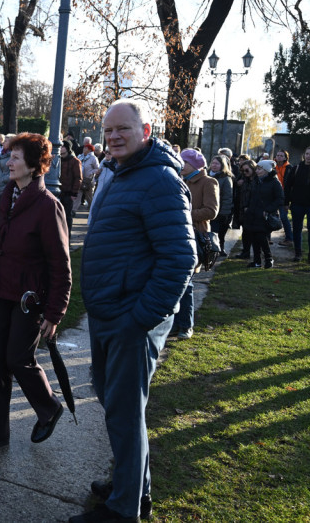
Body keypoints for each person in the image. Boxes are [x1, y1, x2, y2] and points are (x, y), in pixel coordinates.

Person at [73, 99, 196, 523]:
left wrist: (139, 319)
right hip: (111, 312)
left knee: (124, 413)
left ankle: (123, 510)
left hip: (130, 318)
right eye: (108, 131)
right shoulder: (122, 173)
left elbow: (180, 259)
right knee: (118, 407)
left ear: (146, 131)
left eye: (122, 129)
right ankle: (132, 485)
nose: (113, 137)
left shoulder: (159, 180)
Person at [0, 133, 71, 453]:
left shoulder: (48, 206)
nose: (8, 162)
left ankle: (49, 406)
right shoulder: (7, 195)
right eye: (8, 155)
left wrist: (55, 313)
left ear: (34, 165)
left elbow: (61, 265)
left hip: (29, 299)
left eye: (14, 157)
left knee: (18, 358)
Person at [172, 149, 219, 340]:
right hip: (176, 235)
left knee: (187, 282)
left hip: (195, 235)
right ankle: (175, 323)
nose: (181, 165)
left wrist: (183, 214)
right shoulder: (180, 180)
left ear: (194, 165)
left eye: (184, 162)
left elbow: (211, 210)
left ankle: (186, 325)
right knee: (175, 280)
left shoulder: (209, 182)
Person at [284, 146, 310, 263]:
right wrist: (286, 202)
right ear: (304, 155)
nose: (308, 156)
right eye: (307, 153)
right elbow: (287, 186)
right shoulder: (296, 168)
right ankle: (298, 253)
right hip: (297, 203)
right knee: (297, 228)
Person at [242, 159, 284, 269]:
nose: (257, 171)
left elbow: (280, 199)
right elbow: (250, 195)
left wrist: (268, 209)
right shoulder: (256, 181)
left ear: (266, 170)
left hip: (264, 215)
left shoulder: (274, 182)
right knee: (254, 238)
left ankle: (268, 258)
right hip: (253, 213)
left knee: (261, 237)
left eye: (259, 169)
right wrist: (247, 206)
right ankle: (257, 261)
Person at [208, 154, 234, 256]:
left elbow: (227, 196)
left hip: (220, 211)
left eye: (217, 164)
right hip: (208, 208)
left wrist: (224, 212)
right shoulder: (207, 175)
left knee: (219, 233)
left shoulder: (226, 178)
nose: (214, 165)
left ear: (222, 165)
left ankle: (220, 248)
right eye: (213, 163)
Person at [57, 139, 82, 238]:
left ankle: (67, 238)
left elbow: (78, 178)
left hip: (68, 194)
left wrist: (74, 193)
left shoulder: (75, 161)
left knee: (67, 217)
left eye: (62, 146)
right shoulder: (57, 159)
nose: (60, 148)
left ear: (67, 148)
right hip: (58, 192)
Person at [232, 159, 257, 259]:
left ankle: (256, 254)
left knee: (254, 232)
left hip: (253, 209)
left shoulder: (257, 180)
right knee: (245, 231)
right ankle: (245, 251)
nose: (244, 173)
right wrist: (237, 184)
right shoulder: (242, 179)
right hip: (242, 208)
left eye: (247, 170)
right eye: (243, 171)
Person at [273, 150, 293, 245]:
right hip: (272, 195)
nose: (279, 157)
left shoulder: (289, 168)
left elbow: (290, 186)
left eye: (281, 155)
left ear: (285, 157)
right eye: (278, 155)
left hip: (283, 197)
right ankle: (267, 238)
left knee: (284, 218)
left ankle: (289, 239)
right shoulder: (272, 166)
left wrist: (287, 202)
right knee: (268, 216)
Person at [79, 142, 101, 206]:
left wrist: (91, 172)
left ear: (90, 150)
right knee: (78, 196)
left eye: (86, 148)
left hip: (89, 180)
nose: (84, 149)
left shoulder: (93, 158)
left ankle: (91, 209)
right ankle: (73, 211)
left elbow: (97, 168)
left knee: (89, 197)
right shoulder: (80, 156)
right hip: (80, 179)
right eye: (84, 147)